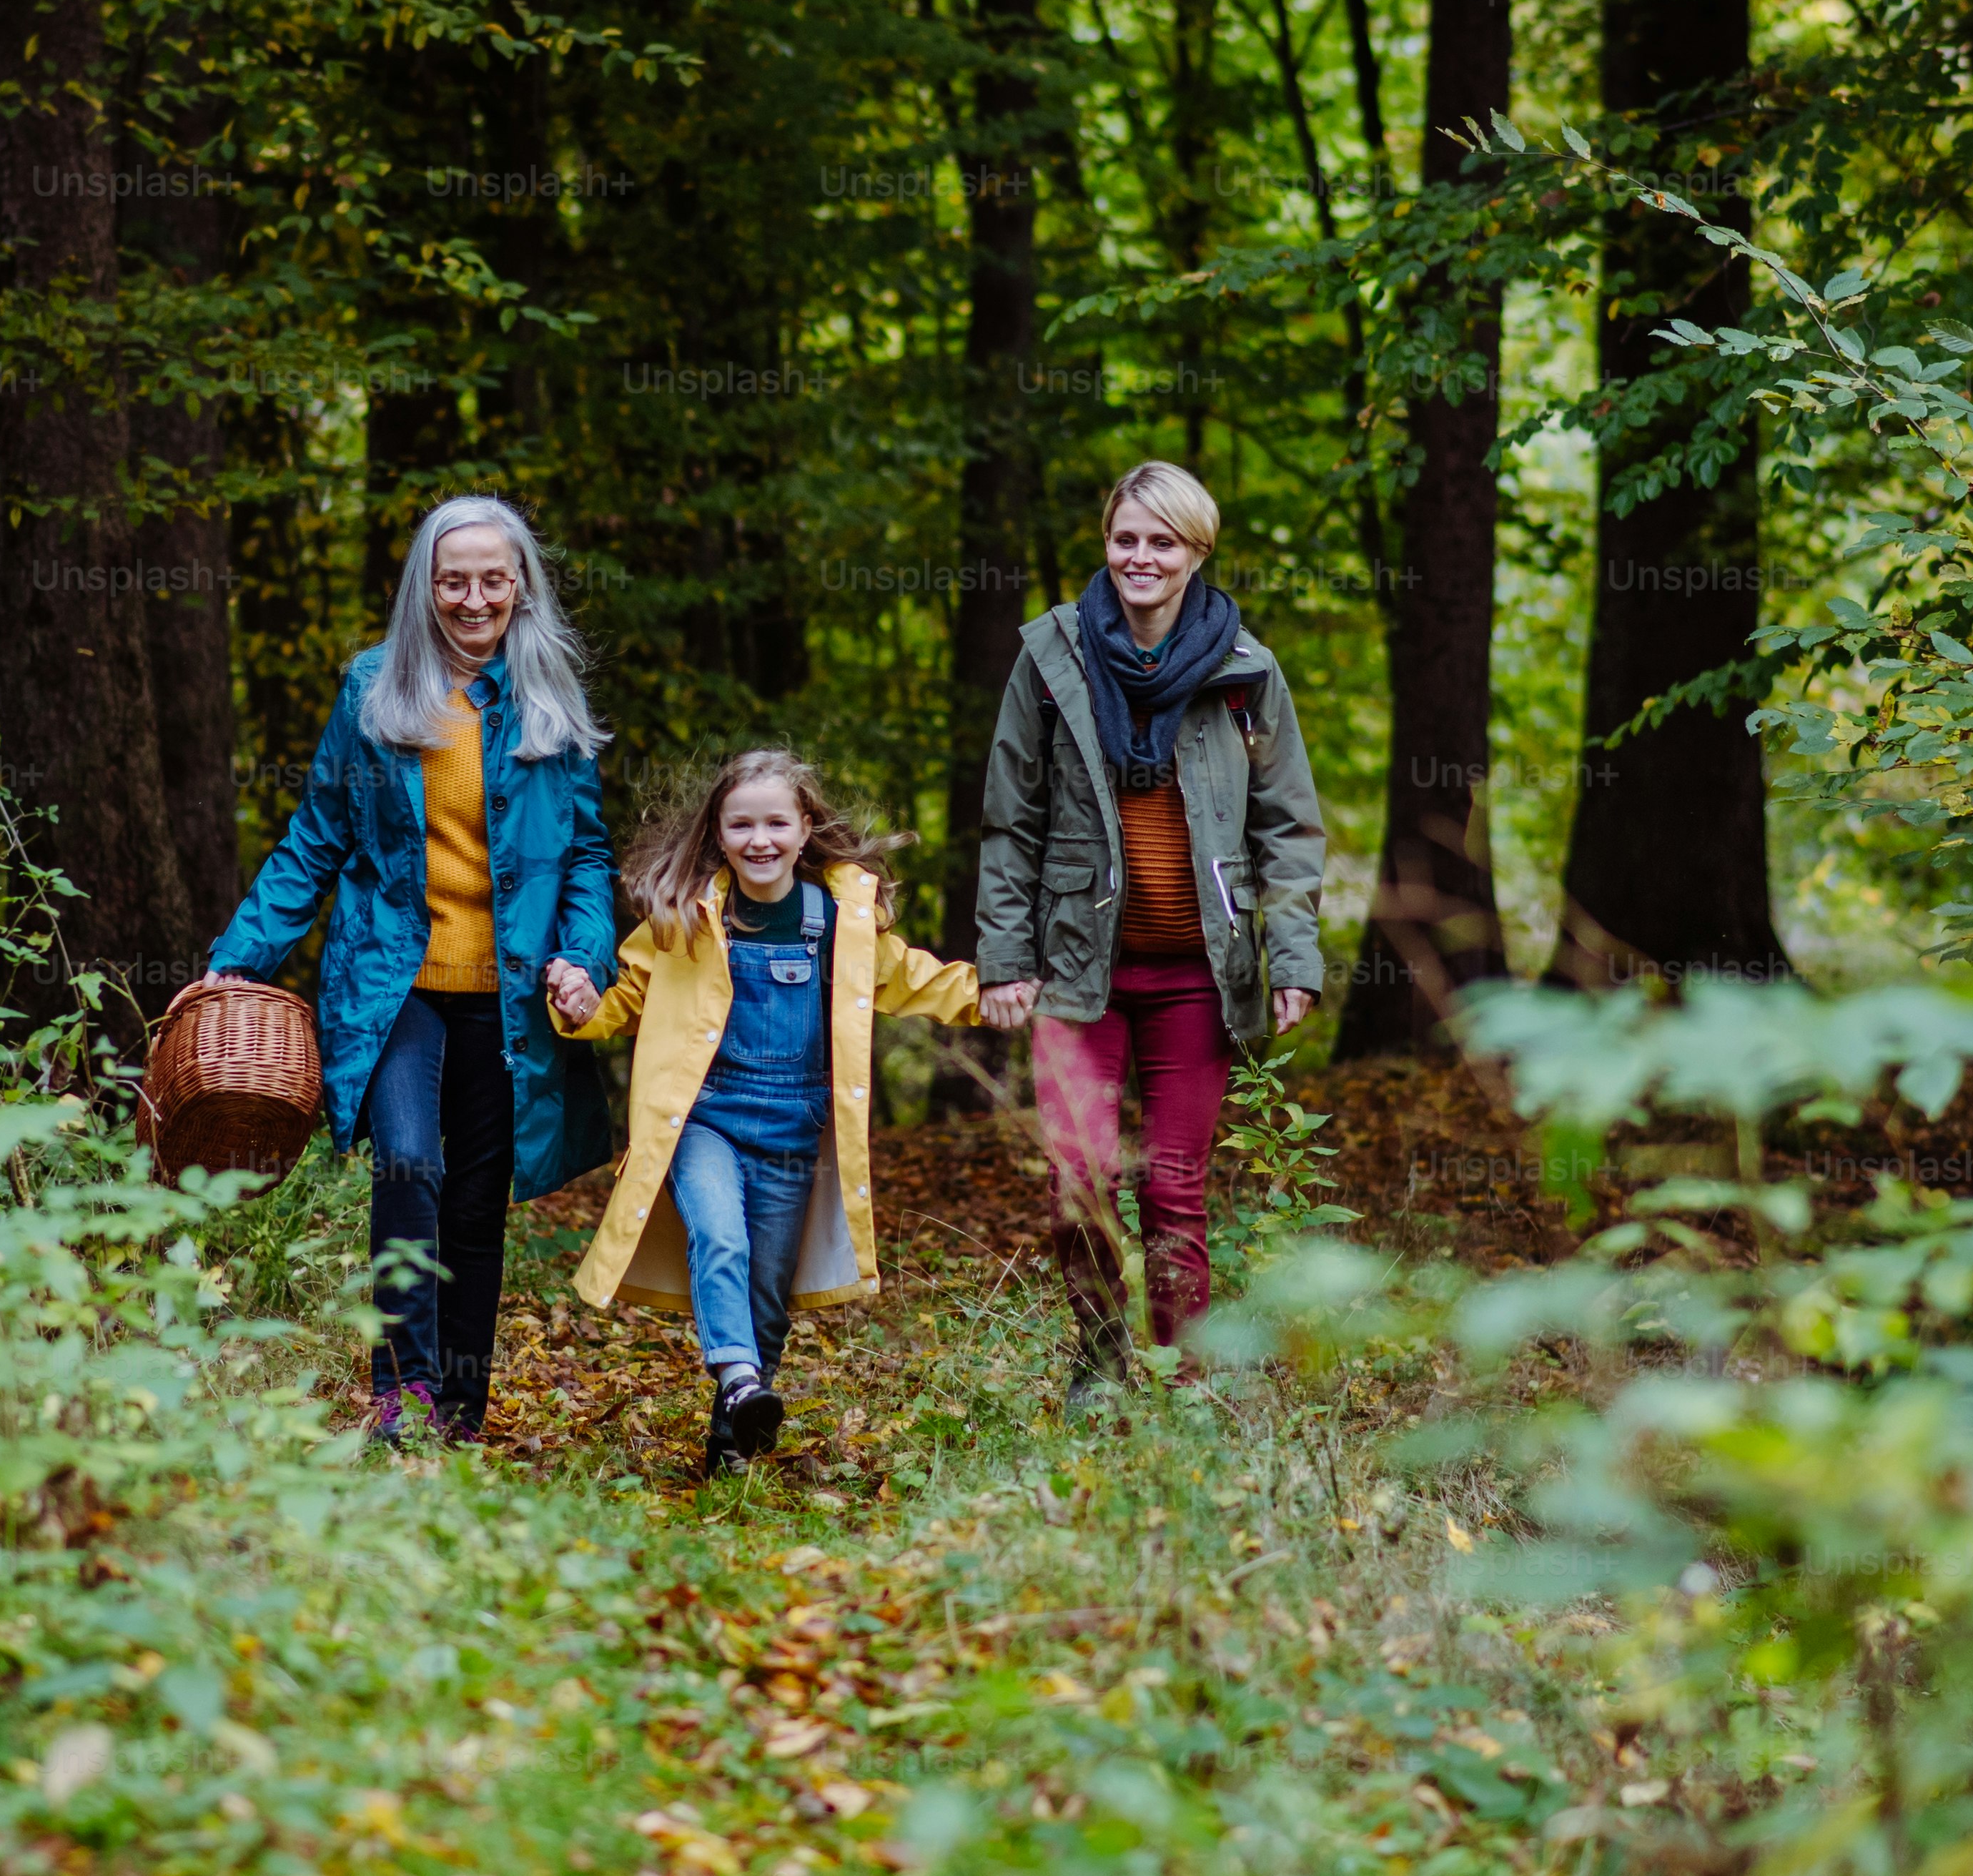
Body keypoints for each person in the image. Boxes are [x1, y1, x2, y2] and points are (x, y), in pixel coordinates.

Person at [205, 494, 620, 1446]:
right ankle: (405, 1391)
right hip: (395, 985)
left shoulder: (549, 692)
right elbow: (316, 838)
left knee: (476, 1204)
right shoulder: (371, 689)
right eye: (452, 579)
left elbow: (587, 854)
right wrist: (234, 964)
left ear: (520, 585)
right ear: (422, 587)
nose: (472, 597)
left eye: (491, 578)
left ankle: (461, 1411)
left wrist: (583, 954)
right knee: (406, 1162)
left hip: (509, 996)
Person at [974, 460, 1329, 1404]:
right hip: (1074, 971)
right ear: (1106, 544)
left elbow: (1287, 827)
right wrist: (1004, 957)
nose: (1139, 556)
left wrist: (1291, 956)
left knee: (1173, 1187)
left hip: (1196, 978)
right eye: (1124, 538)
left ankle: (1187, 1381)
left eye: (1160, 541)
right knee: (1078, 1183)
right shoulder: (1050, 659)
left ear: (1194, 552)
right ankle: (1098, 1365)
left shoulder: (1245, 672)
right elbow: (1010, 818)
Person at [563, 749, 998, 1476]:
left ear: (804, 829)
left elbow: (913, 979)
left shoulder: (837, 922)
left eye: (775, 822)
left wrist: (995, 995)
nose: (758, 839)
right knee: (719, 1239)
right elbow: (621, 1000)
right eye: (741, 824)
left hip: (792, 1132)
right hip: (704, 1118)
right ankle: (738, 1382)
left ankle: (729, 1443)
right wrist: (578, 1006)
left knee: (766, 1293)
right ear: (718, 833)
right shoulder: (686, 919)